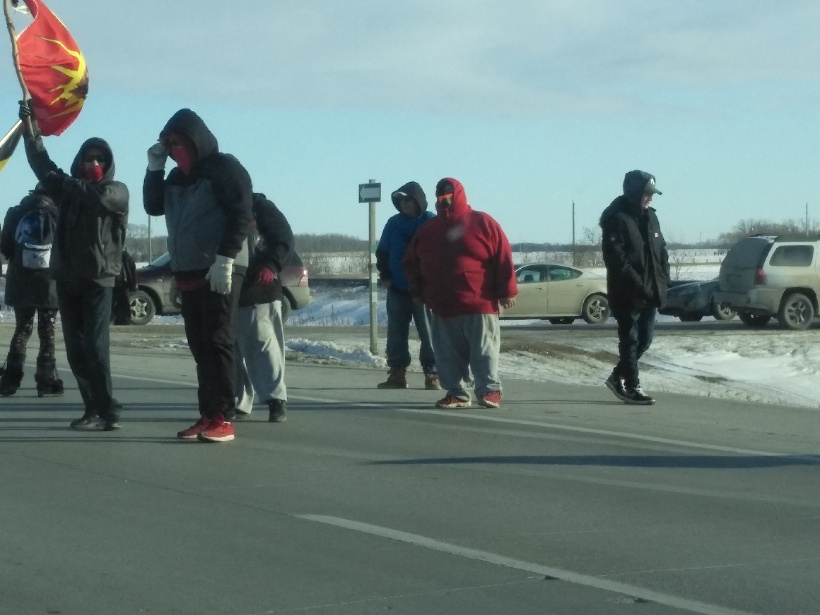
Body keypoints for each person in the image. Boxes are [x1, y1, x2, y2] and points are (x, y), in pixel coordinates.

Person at [144, 108, 252, 443]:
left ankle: (224, 417)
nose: (174, 149)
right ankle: (208, 414)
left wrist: (226, 258)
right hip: (188, 270)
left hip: (221, 266)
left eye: (177, 142)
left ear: (195, 140)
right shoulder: (175, 178)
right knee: (200, 346)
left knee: (219, 341)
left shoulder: (224, 168)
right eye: (168, 144)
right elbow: (153, 206)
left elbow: (241, 214)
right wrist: (154, 169)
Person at [19, 101, 129, 430]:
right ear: (79, 161)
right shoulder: (67, 190)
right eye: (88, 158)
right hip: (68, 279)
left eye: (100, 159)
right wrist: (29, 128)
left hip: (99, 279)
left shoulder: (116, 191)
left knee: (95, 347)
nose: (94, 163)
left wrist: (63, 183)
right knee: (76, 351)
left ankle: (107, 409)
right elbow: (41, 163)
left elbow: (97, 197)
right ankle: (93, 408)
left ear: (108, 163)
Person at [404, 177, 517, 409]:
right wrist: (418, 290)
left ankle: (489, 390)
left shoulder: (482, 222)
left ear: (459, 194)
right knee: (447, 353)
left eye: (450, 192)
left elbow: (503, 257)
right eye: (441, 192)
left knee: (484, 350)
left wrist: (507, 291)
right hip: (442, 305)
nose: (445, 196)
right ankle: (456, 393)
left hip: (479, 302)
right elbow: (411, 262)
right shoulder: (429, 229)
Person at [599, 170, 670, 405]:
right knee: (630, 340)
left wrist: (664, 279)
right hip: (627, 293)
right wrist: (638, 283)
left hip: (651, 290)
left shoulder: (651, 218)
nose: (650, 198)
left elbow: (661, 251)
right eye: (646, 193)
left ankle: (617, 376)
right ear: (634, 193)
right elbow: (616, 259)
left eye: (652, 194)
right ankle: (632, 386)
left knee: (645, 340)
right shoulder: (616, 219)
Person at [234, 193, 293, 423]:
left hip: (259, 287)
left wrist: (271, 264)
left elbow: (284, 238)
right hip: (225, 289)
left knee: (264, 345)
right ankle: (238, 401)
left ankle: (275, 399)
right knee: (229, 351)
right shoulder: (213, 207)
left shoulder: (259, 206)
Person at [375, 181, 439, 390]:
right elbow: (383, 251)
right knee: (396, 333)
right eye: (401, 201)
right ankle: (397, 372)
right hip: (397, 287)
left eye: (408, 200)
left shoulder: (430, 221)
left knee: (428, 332)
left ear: (418, 201)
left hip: (424, 289)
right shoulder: (394, 223)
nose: (404, 204)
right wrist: (385, 275)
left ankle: (433, 372)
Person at [0, 185, 63, 397]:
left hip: (21, 281)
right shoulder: (60, 214)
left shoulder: (15, 213)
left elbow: (5, 248)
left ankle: (10, 380)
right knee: (47, 331)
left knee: (22, 329)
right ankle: (46, 380)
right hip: (49, 282)